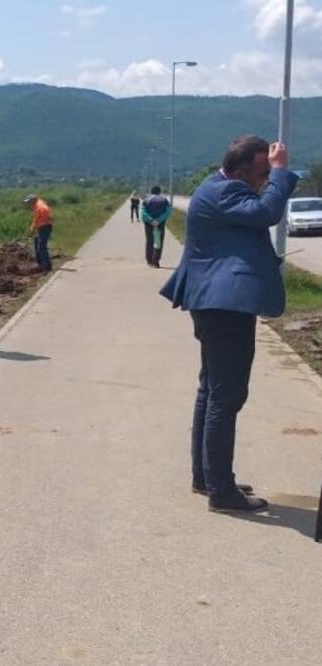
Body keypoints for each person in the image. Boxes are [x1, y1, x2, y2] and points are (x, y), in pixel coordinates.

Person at [160, 135, 299, 513]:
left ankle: (208, 477)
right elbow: (267, 213)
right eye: (262, 172)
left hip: (216, 302)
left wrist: (273, 173)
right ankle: (221, 491)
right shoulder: (226, 192)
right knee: (226, 397)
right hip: (225, 306)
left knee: (211, 392)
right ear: (240, 172)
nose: (265, 179)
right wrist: (282, 171)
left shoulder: (218, 187)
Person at [141, 186, 171, 268]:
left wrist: (151, 220)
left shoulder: (146, 200)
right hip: (160, 224)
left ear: (151, 191)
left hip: (149, 224)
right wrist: (158, 220)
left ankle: (149, 261)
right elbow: (168, 211)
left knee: (149, 241)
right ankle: (156, 262)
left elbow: (143, 212)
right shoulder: (164, 200)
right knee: (158, 242)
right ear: (159, 192)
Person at [24, 194, 53, 273]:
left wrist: (42, 222)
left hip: (45, 227)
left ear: (33, 200)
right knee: (36, 243)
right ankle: (39, 264)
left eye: (29, 201)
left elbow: (45, 213)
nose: (28, 203)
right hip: (40, 227)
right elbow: (36, 218)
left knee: (41, 247)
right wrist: (33, 228)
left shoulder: (40, 205)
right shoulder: (36, 205)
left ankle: (46, 267)